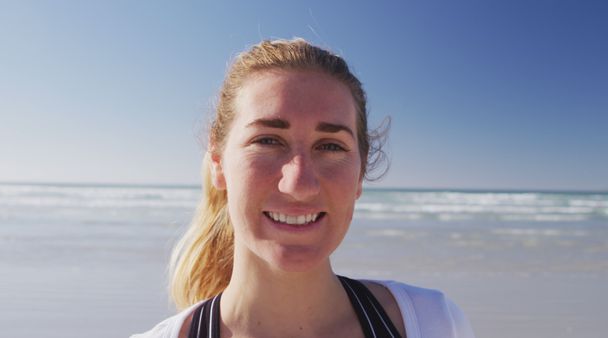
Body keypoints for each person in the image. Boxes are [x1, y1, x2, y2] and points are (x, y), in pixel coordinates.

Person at [132, 38, 475, 338]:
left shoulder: (431, 323)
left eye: (330, 146)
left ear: (360, 175)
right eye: (267, 140)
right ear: (218, 162)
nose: (299, 184)